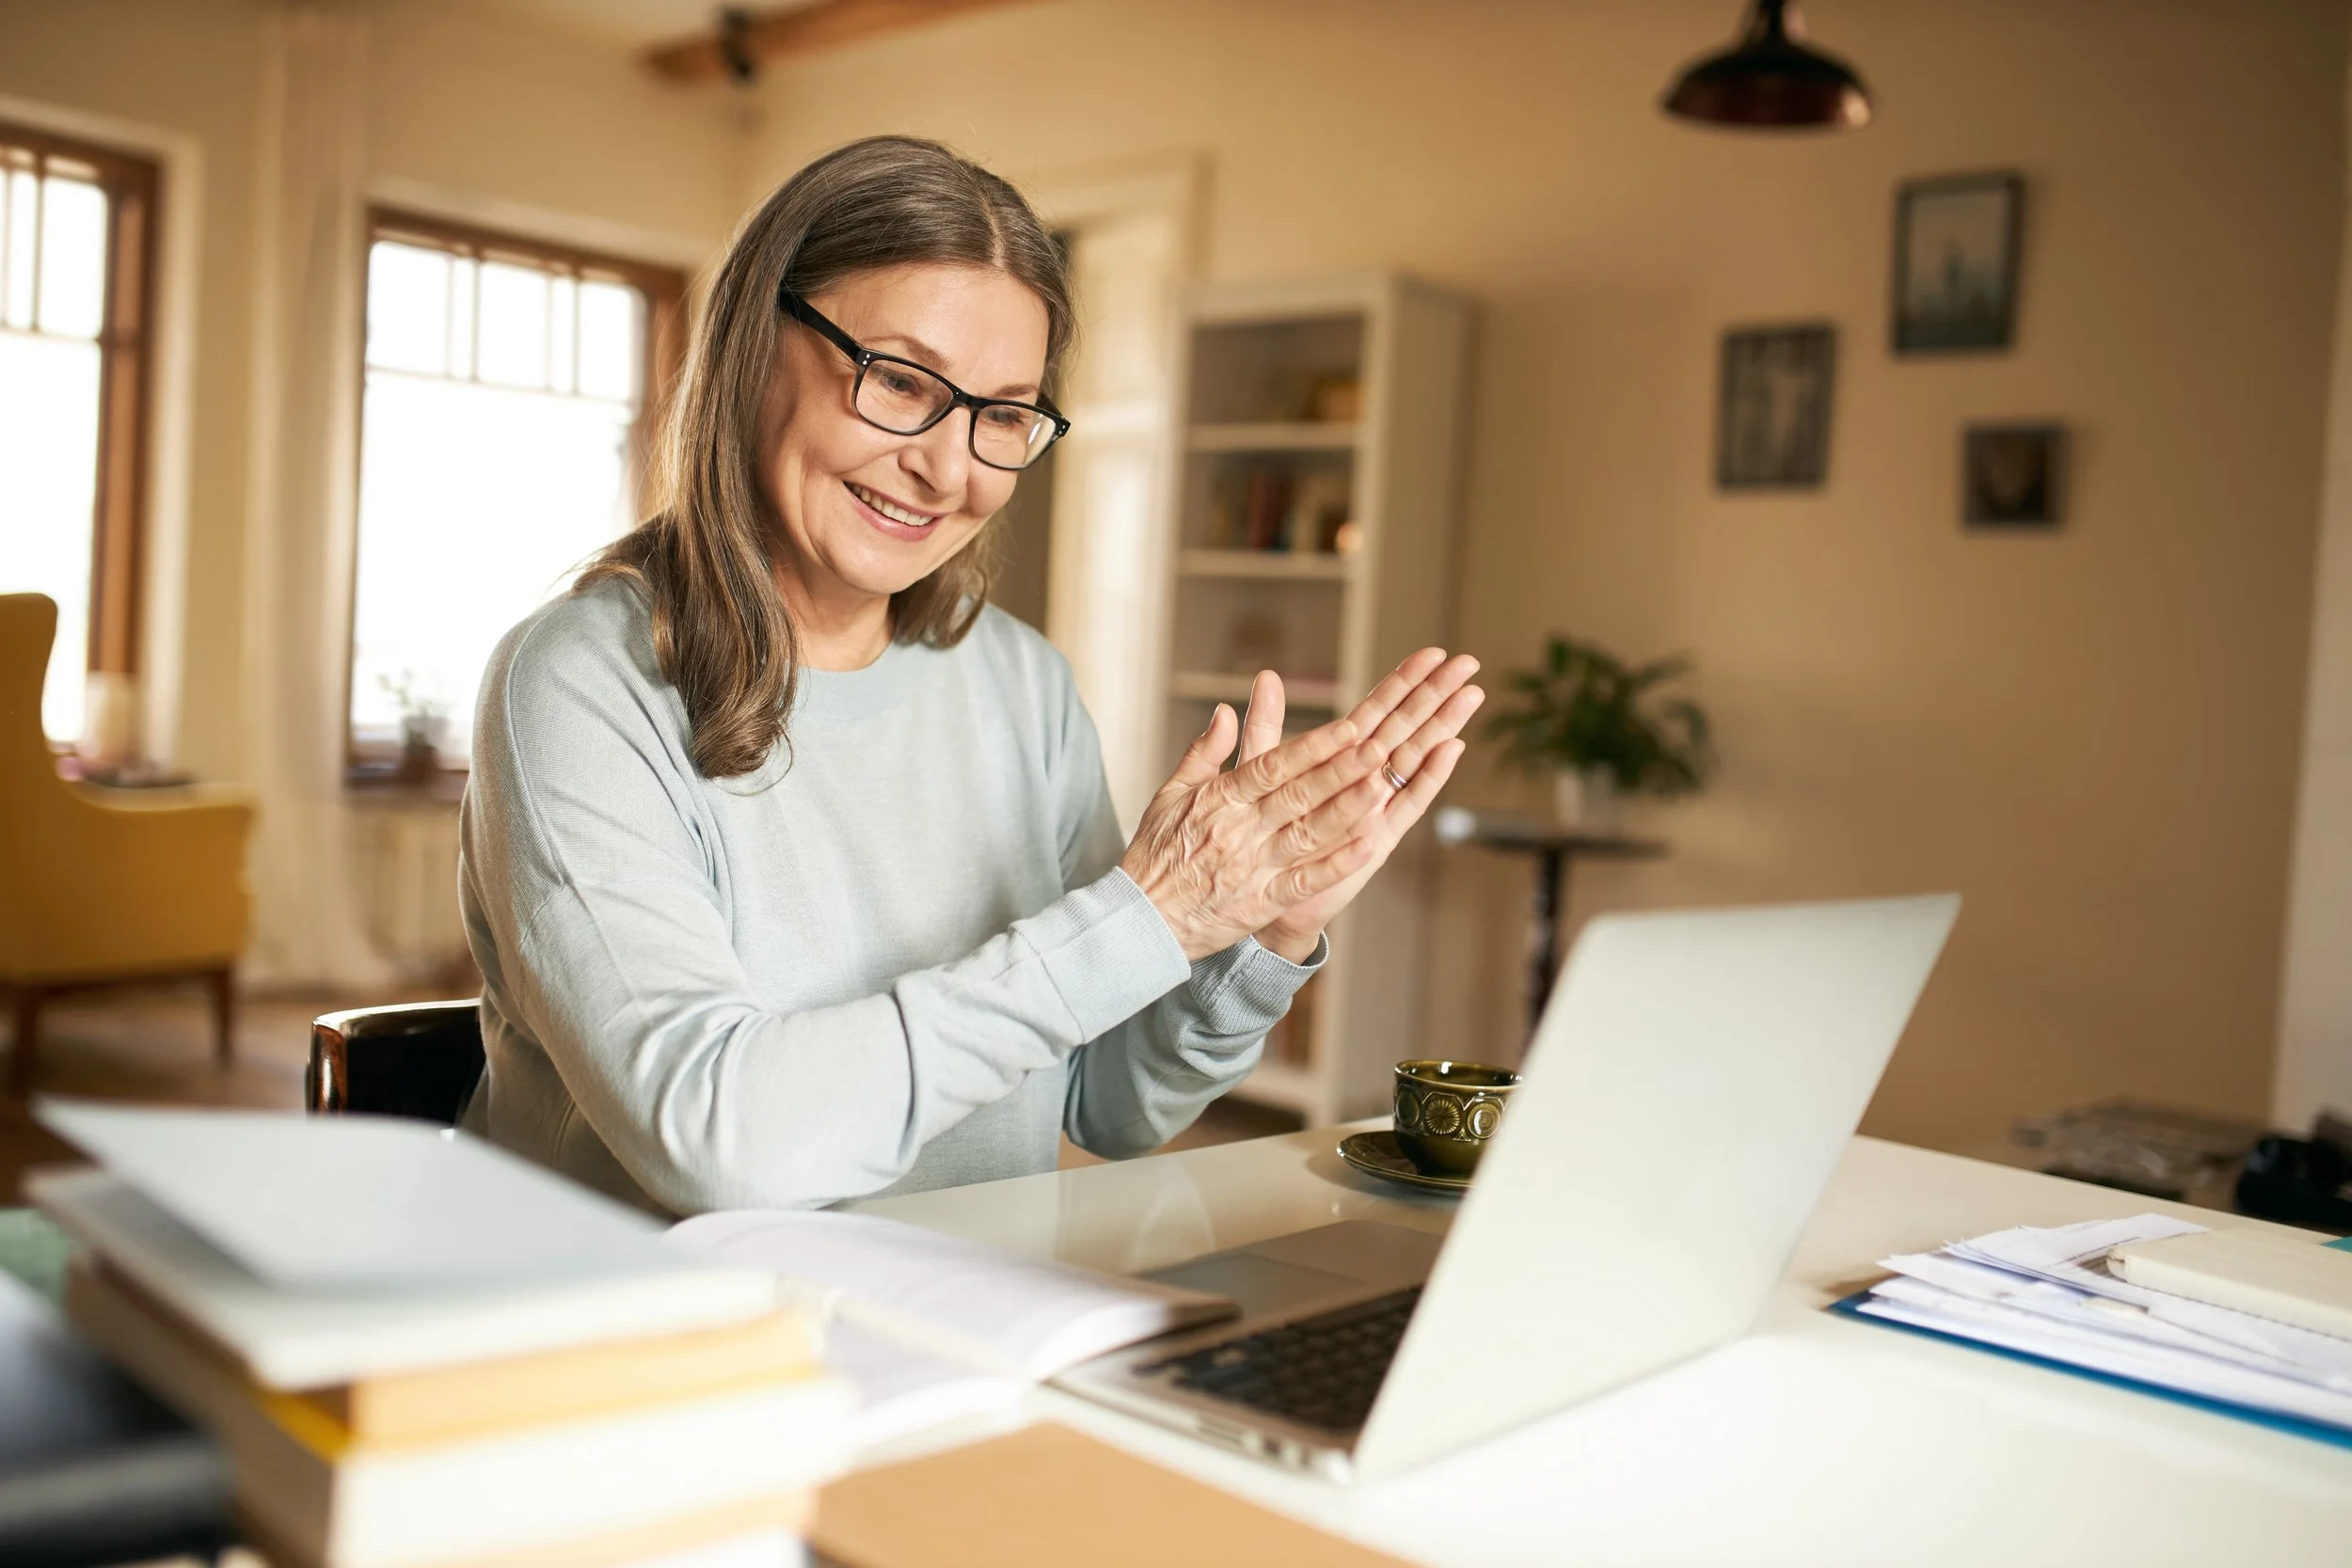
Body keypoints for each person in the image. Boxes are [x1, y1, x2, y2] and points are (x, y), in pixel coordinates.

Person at [457, 136, 1482, 1214]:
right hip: (667, 1315)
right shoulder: (578, 683)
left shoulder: (1021, 684)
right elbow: (720, 1143)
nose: (947, 468)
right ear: (754, 342)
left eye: (1001, 415)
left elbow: (1111, 1099)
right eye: (900, 380)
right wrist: (1149, 914)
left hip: (968, 1298)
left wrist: (1263, 929)